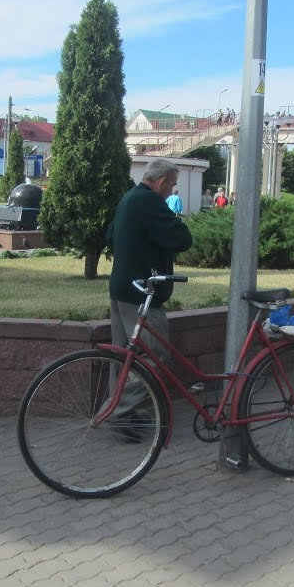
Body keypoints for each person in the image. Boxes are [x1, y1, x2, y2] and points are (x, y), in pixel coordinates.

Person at [105, 158, 193, 430]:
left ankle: (117, 410)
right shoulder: (150, 202)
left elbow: (110, 235)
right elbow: (182, 238)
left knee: (122, 357)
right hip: (142, 293)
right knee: (154, 357)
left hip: (121, 287)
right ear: (162, 181)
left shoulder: (128, 198)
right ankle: (119, 413)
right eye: (172, 186)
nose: (171, 192)